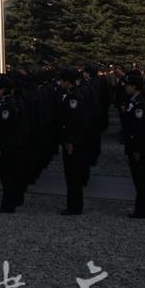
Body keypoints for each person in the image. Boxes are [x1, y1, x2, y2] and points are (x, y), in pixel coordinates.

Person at [57, 68, 86, 216]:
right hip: (69, 139)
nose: (60, 83)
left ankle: (75, 206)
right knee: (70, 174)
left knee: (73, 174)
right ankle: (73, 204)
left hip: (72, 141)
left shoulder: (73, 97)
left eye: (61, 80)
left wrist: (69, 140)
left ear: (67, 81)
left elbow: (73, 121)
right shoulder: (69, 95)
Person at [122, 71, 145, 219]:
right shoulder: (133, 101)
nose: (126, 88)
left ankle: (143, 210)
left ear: (134, 86)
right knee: (137, 179)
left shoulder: (139, 103)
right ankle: (140, 207)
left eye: (128, 85)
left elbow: (139, 129)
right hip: (133, 145)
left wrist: (137, 148)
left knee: (140, 179)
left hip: (137, 146)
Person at [0, 76, 22, 213]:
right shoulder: (7, 103)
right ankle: (10, 201)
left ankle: (8, 204)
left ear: (3, 90)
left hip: (6, 146)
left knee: (7, 175)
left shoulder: (7, 105)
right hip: (10, 144)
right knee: (8, 175)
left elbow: (4, 129)